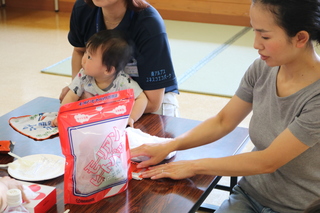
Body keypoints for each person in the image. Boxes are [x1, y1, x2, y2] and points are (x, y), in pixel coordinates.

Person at [131, 0, 320, 212]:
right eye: (254, 32)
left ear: (300, 38)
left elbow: (267, 161)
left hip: (298, 208)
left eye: (265, 36)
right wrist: (170, 145)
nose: (256, 44)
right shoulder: (262, 68)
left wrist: (193, 166)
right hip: (250, 194)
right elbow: (223, 121)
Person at [60, 0, 179, 117]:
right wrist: (77, 88)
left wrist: (95, 102)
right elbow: (79, 51)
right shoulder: (83, 8)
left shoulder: (149, 24)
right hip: (101, 93)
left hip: (146, 100)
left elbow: (152, 103)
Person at [53, 30, 147, 127]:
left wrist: (131, 117)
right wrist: (61, 115)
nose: (84, 58)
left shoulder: (122, 82)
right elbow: (71, 97)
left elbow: (142, 99)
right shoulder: (83, 76)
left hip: (111, 123)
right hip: (89, 120)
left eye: (89, 57)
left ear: (108, 70)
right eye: (85, 52)